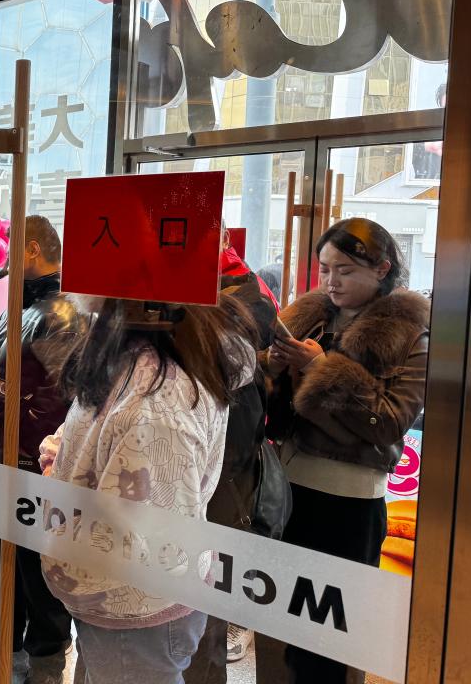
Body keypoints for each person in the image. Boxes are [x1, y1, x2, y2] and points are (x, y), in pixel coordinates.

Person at [39, 294, 257, 684]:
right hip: (127, 597)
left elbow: (139, 531)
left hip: (135, 601)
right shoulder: (145, 363)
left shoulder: (154, 397)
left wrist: (62, 477)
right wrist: (67, 457)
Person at [265, 218, 429, 684]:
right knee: (283, 629)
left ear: (382, 269)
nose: (331, 281)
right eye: (324, 269)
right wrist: (273, 366)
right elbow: (273, 404)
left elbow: (391, 421)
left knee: (331, 641)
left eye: (346, 270)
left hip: (350, 501)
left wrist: (321, 368)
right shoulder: (310, 315)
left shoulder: (411, 335)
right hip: (287, 487)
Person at [0, 214, 87, 659]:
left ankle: (47, 647)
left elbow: (69, 395)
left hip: (30, 457)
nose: (5, 260)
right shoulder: (21, 307)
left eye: (12, 249)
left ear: (32, 249)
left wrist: (33, 451)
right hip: (4, 449)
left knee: (35, 560)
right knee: (1, 550)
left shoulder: (61, 313)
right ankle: (2, 622)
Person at [185, 225, 280, 681]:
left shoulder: (248, 294)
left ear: (223, 239)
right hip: (196, 458)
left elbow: (222, 359)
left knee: (207, 595)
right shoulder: (191, 291)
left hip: (227, 463)